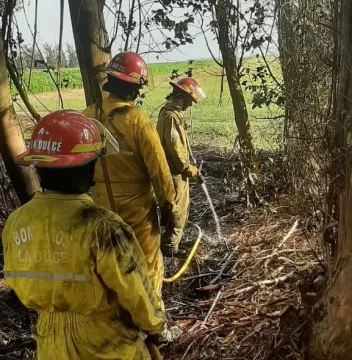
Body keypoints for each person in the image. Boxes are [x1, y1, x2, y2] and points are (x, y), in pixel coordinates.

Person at [2, 110, 165, 360]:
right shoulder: (103, 227)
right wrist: (155, 328)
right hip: (104, 343)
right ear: (89, 168)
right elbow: (137, 295)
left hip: (49, 343)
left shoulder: (15, 222)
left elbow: (15, 280)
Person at [82, 51, 176, 304]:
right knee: (147, 264)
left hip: (100, 204)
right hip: (137, 208)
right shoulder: (138, 122)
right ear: (135, 88)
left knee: (108, 261)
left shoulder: (87, 117)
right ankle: (153, 326)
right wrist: (169, 204)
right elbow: (159, 169)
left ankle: (115, 316)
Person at [157, 78, 205, 255]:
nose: (190, 105)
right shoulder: (170, 116)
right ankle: (170, 247)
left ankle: (172, 243)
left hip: (176, 171)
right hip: (174, 172)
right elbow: (174, 146)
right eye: (189, 101)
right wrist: (186, 167)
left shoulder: (173, 114)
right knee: (177, 209)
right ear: (182, 96)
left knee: (178, 207)